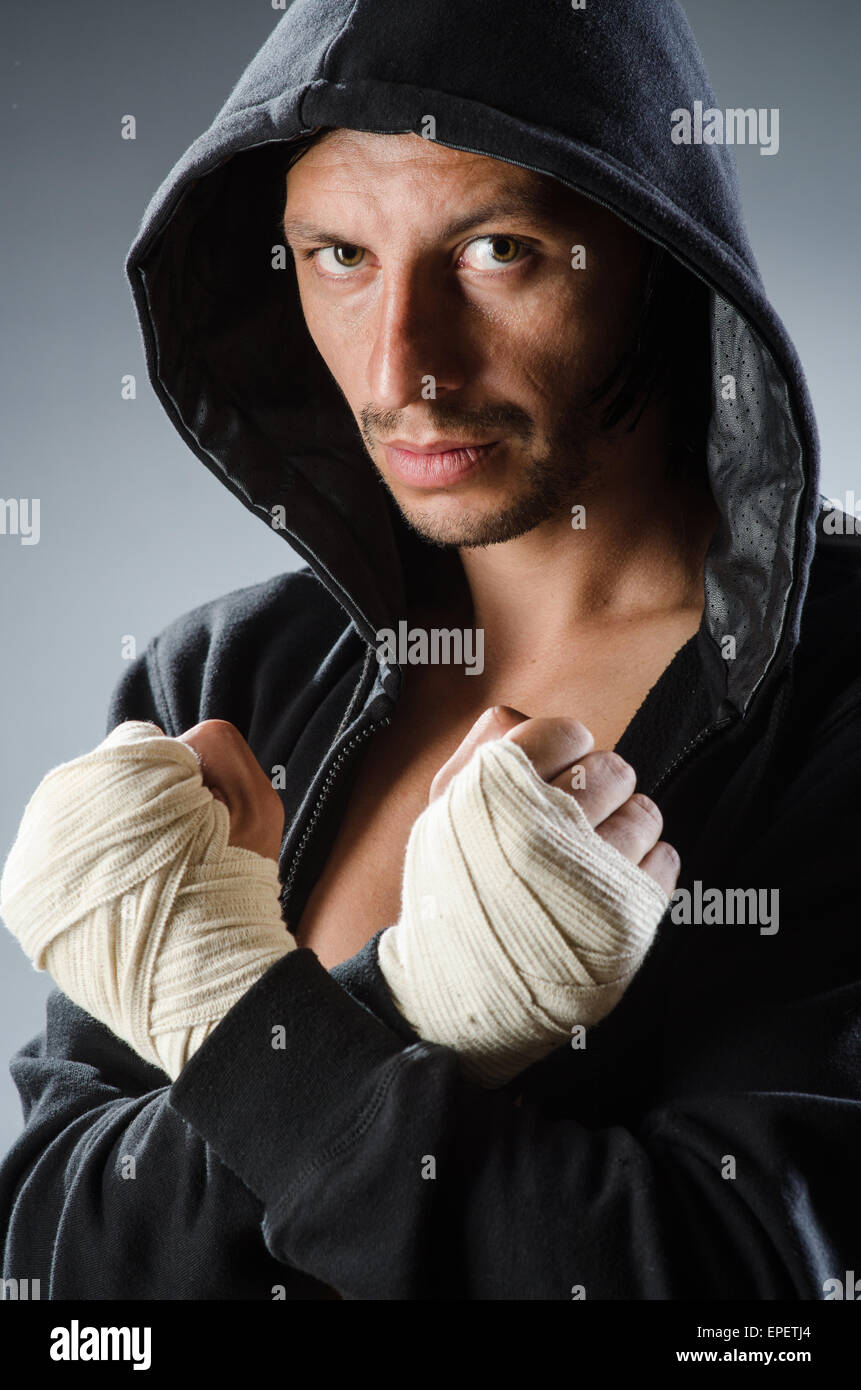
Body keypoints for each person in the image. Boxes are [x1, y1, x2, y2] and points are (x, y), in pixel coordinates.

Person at [2, 0, 860, 1301]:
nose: (404, 364)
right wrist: (413, 1009)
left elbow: (747, 1294)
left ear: (653, 246)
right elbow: (60, 1284)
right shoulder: (214, 679)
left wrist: (243, 1025)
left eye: (497, 248)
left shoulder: (840, 692)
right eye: (340, 253)